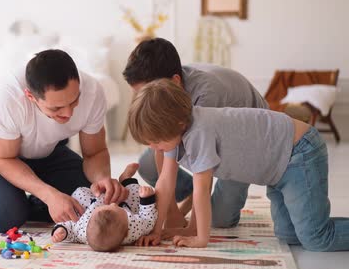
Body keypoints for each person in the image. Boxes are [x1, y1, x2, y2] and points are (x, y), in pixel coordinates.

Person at [128, 79, 349, 251]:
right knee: (288, 236)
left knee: (316, 238)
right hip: (277, 169)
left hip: (298, 153)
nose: (155, 147)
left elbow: (202, 190)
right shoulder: (177, 132)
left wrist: (201, 237)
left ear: (177, 124)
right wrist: (157, 230)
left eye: (156, 141)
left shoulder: (199, 132)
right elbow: (166, 183)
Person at [0, 49, 128, 233]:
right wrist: (50, 196)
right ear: (31, 97)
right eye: (56, 108)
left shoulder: (93, 91)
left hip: (47, 148)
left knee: (87, 198)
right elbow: (4, 159)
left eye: (74, 101)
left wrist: (101, 179)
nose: (68, 113)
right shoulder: (5, 97)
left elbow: (94, 152)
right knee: (7, 217)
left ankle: (18, 202)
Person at [122, 38, 268, 229]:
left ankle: (200, 194)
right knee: (149, 163)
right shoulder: (167, 90)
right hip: (206, 131)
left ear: (175, 81)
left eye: (148, 93)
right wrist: (171, 212)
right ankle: (194, 192)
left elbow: (203, 161)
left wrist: (188, 218)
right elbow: (165, 155)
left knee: (219, 219)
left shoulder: (206, 97)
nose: (145, 101)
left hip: (245, 142)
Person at [51, 163, 158, 252]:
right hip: (128, 205)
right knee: (135, 195)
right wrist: (146, 200)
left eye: (110, 205)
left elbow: (71, 228)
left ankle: (107, 192)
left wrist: (62, 231)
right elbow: (148, 220)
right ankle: (126, 179)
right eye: (116, 207)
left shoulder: (83, 231)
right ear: (127, 232)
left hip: (94, 203)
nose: (113, 203)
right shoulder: (134, 229)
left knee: (79, 196)